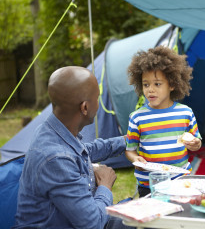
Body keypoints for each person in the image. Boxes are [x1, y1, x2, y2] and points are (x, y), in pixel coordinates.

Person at [14, 66, 129, 229]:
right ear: (85, 108)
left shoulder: (52, 130)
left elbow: (83, 151)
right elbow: (93, 224)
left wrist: (125, 141)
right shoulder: (56, 159)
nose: (98, 102)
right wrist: (105, 185)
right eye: (97, 98)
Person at [125, 46, 202, 197]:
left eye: (157, 84)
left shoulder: (186, 113)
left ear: (172, 84)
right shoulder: (137, 117)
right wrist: (136, 159)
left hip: (179, 180)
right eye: (146, 84)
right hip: (149, 184)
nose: (150, 90)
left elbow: (196, 142)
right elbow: (130, 150)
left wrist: (195, 144)